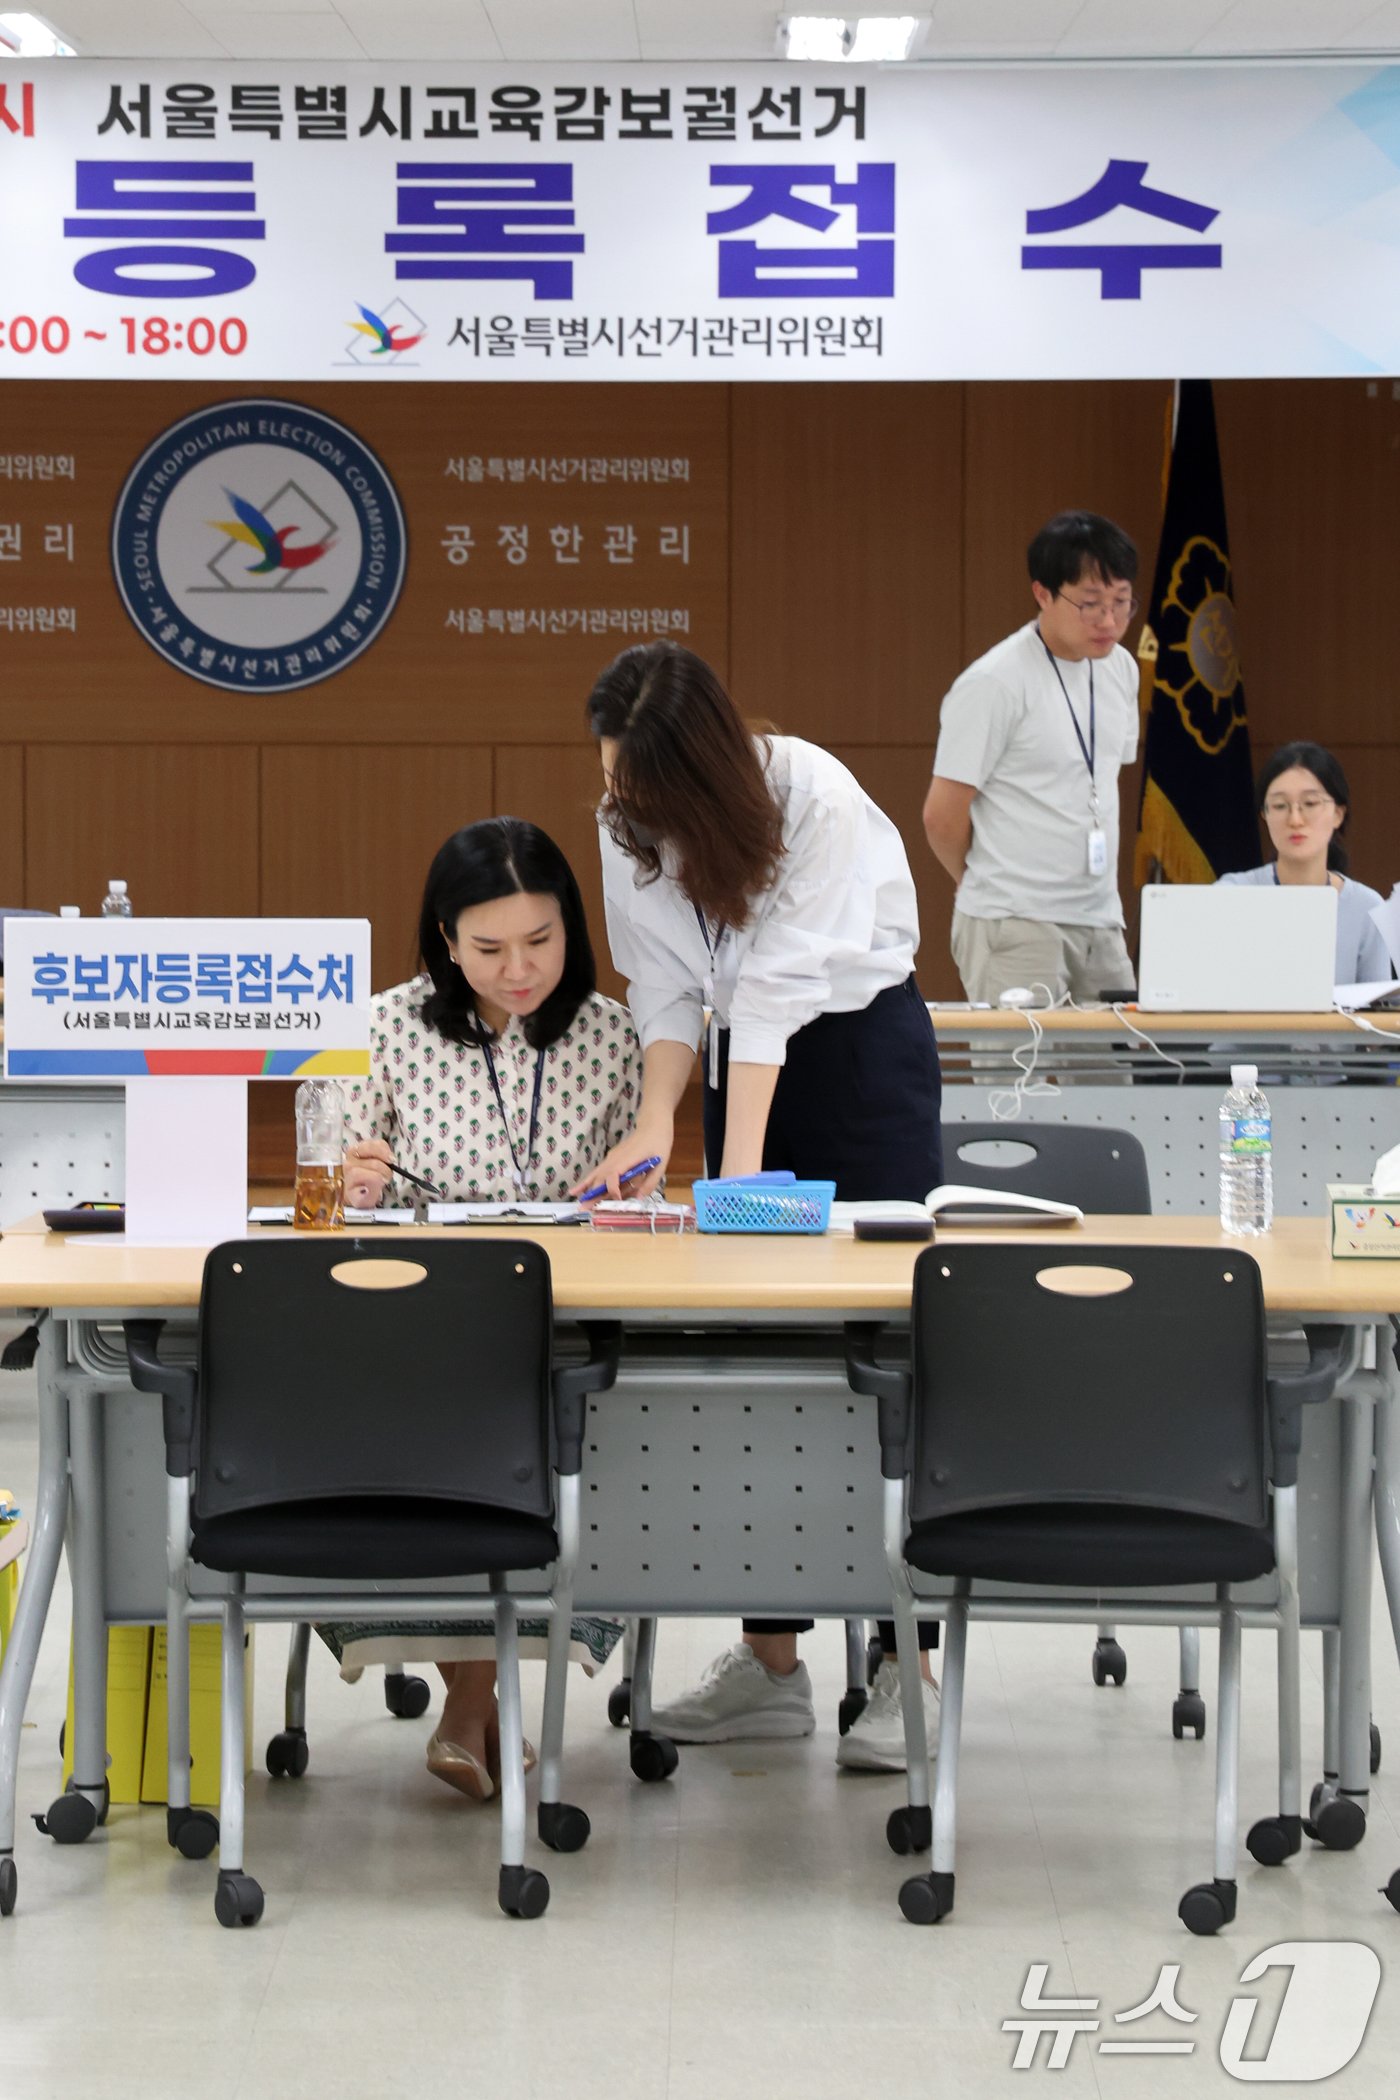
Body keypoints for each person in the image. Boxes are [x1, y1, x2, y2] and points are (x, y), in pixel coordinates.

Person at [580, 639, 944, 1771]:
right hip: (748, 1058)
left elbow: (783, 989)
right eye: (611, 786)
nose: (622, 810)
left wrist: (729, 1182)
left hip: (856, 1061)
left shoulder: (814, 797)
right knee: (749, 1341)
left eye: (643, 792)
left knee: (883, 1345)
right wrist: (656, 1131)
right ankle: (770, 1662)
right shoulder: (624, 813)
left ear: (706, 773)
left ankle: (902, 1665)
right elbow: (665, 983)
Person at [331, 817, 640, 1801]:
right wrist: (357, 1181)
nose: (518, 972)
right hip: (412, 1331)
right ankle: (479, 1702)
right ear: (442, 939)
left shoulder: (612, 1033)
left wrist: (633, 1191)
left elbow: (655, 1189)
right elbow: (328, 1197)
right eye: (488, 948)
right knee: (441, 1435)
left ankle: (480, 1705)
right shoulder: (381, 1027)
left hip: (565, 1328)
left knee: (586, 1444)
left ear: (572, 930)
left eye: (540, 943)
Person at [925, 511, 1141, 1004]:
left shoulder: (1120, 670)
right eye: (1090, 605)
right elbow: (941, 815)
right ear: (1043, 593)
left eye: (1122, 603)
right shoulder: (995, 682)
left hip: (1100, 919)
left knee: (1118, 1076)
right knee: (1018, 1077)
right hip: (1014, 921)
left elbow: (1099, 783)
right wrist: (984, 884)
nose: (1109, 621)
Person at [1216, 741, 1392, 983]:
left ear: (1338, 815)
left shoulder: (1367, 906)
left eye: (1310, 804)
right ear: (1264, 815)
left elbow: (1377, 1012)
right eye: (1279, 806)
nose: (1295, 819)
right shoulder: (1232, 893)